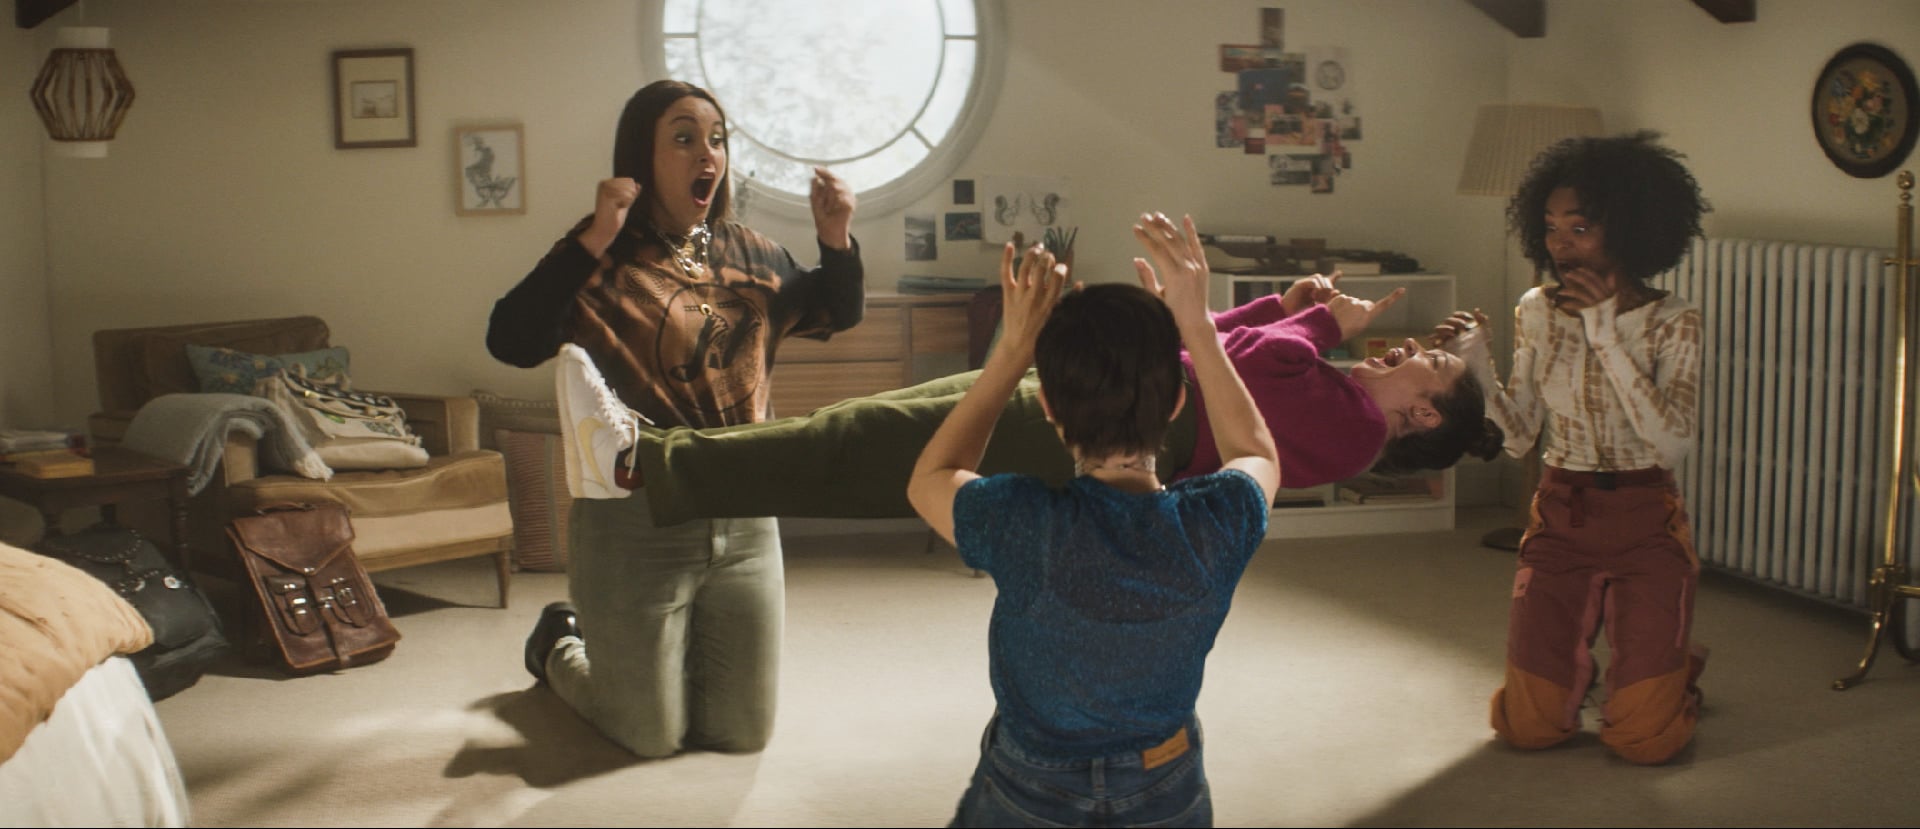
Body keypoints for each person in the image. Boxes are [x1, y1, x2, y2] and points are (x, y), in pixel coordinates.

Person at [486, 79, 863, 759]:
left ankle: (657, 661)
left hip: (746, 516)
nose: (706, 153)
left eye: (716, 138)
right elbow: (509, 339)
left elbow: (837, 311)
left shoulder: (751, 253)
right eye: (684, 137)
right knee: (647, 735)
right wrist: (596, 234)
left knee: (740, 732)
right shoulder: (600, 258)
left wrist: (835, 237)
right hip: (639, 518)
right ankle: (556, 644)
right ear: (642, 155)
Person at [596, 266, 1504, 528]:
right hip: (1109, 386)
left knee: (869, 453)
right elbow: (1213, 340)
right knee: (863, 427)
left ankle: (641, 462)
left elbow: (1244, 372)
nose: (1422, 351)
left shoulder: (1351, 435)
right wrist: (1286, 304)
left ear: (1422, 414)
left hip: (1115, 425)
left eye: (1437, 368)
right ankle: (657, 458)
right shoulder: (1335, 390)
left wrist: (1319, 326)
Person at [910, 213, 1279, 827]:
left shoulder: (1020, 522)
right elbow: (1258, 453)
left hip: (1031, 784)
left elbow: (931, 475)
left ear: (1048, 407)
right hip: (1168, 777)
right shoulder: (1220, 522)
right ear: (1180, 402)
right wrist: (1198, 327)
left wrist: (1010, 353)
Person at [1433, 130, 1710, 765]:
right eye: (1552, 226)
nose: (1560, 242)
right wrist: (1475, 364)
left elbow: (1671, 442)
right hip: (1560, 513)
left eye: (1579, 227)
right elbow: (1522, 435)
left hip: (1646, 519)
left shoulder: (1675, 320)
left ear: (1629, 229)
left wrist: (1606, 335)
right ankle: (1629, 663)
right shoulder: (1536, 309)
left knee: (1644, 743)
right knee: (1527, 729)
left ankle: (1673, 667)